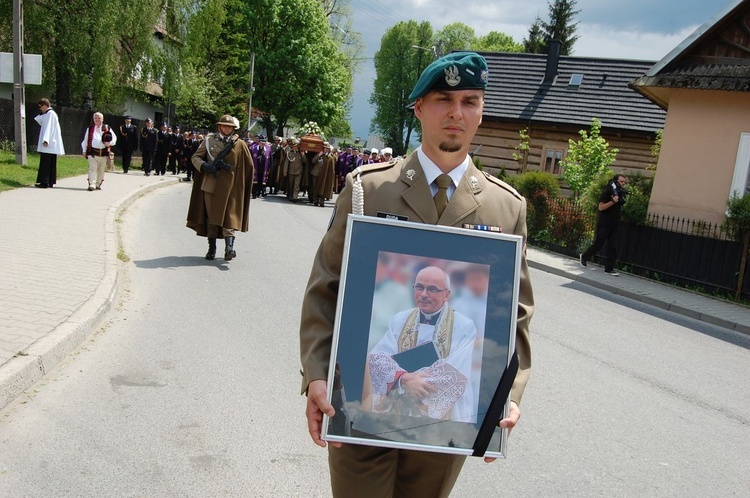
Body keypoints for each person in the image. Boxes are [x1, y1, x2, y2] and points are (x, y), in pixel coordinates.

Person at [299, 51, 534, 497]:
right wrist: (316, 374)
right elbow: (325, 289)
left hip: (446, 425)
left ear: (482, 111)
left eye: (470, 101)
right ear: (419, 109)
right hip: (361, 412)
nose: (456, 113)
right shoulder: (368, 190)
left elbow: (515, 317)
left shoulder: (506, 208)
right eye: (443, 99)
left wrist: (510, 393)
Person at [364, 266, 478, 422]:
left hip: (441, 412)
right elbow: (378, 358)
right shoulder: (400, 319)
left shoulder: (464, 326)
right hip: (398, 402)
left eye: (432, 289)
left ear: (446, 294)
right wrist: (403, 379)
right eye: (419, 287)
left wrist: (414, 384)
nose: (424, 294)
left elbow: (455, 373)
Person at [186, 114, 254, 261]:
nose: (227, 128)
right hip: (211, 184)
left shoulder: (240, 144)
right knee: (212, 217)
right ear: (219, 126)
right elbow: (195, 157)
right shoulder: (209, 140)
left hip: (231, 187)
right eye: (224, 126)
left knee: (230, 216)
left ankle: (229, 248)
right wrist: (205, 166)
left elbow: (248, 166)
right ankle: (212, 248)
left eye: (230, 127)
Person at [580, 174, 628, 276]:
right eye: (621, 181)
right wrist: (612, 202)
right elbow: (601, 207)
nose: (623, 184)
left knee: (613, 246)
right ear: (616, 181)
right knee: (599, 244)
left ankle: (609, 269)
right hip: (604, 224)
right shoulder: (607, 192)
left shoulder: (620, 193)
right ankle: (584, 257)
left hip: (615, 224)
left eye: (625, 182)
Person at [81, 112, 117, 191]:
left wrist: (110, 143)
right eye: (95, 118)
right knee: (92, 168)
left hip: (103, 153)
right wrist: (84, 151)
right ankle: (92, 184)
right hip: (92, 152)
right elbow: (85, 140)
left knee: (101, 169)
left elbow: (114, 138)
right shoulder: (90, 128)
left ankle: (98, 184)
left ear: (102, 119)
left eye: (99, 118)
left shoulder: (107, 127)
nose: (97, 120)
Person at [33, 98, 64, 188]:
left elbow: (48, 127)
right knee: (50, 163)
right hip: (51, 144)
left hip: (48, 144)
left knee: (46, 163)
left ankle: (44, 182)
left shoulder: (50, 114)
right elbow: (40, 121)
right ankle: (50, 181)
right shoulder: (49, 114)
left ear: (45, 106)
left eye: (40, 107)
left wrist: (45, 140)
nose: (40, 109)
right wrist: (42, 114)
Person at [309, 142, 336, 207]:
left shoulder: (330, 157)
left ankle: (322, 201)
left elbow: (332, 167)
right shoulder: (319, 154)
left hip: (324, 175)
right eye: (325, 148)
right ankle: (316, 200)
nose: (326, 150)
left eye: (327, 149)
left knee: (323, 187)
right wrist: (319, 155)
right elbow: (313, 161)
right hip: (316, 173)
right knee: (315, 187)